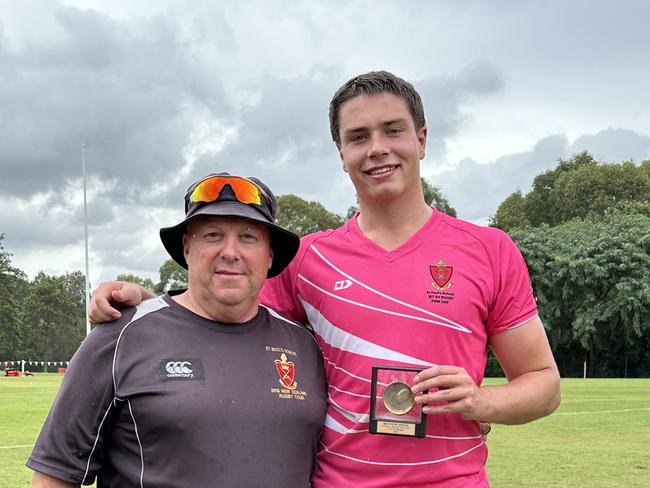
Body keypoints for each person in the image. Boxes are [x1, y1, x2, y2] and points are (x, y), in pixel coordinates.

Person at [89, 71, 561, 487]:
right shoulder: (309, 259)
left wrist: (480, 402)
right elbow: (222, 317)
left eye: (392, 130)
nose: (377, 148)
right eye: (358, 137)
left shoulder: (489, 249)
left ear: (421, 139)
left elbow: (543, 383)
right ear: (341, 153)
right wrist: (147, 302)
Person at [27, 173, 327, 487]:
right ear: (187, 247)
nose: (230, 251)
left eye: (248, 237)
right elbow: (54, 476)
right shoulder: (119, 338)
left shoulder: (305, 348)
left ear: (269, 255)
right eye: (212, 235)